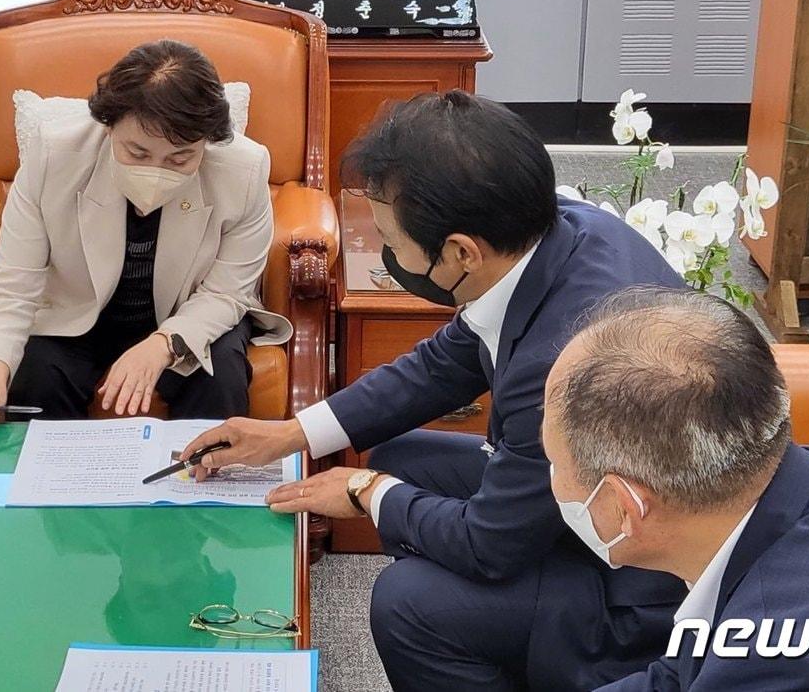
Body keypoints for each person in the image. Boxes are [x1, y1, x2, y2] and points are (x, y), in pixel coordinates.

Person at [182, 91, 688, 690]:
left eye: (392, 244)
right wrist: (290, 434)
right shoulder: (563, 231)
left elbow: (487, 546)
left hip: (639, 591)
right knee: (406, 459)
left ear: (460, 252)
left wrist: (366, 491)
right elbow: (442, 365)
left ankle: (514, 641)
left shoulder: (563, 365)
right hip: (589, 499)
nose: (386, 255)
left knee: (407, 601)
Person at [544, 287, 809, 690]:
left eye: (555, 463)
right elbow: (676, 675)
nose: (553, 481)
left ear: (625, 506)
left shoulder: (776, 668)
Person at [0, 40, 291, 423]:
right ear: (108, 127)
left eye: (180, 158)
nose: (156, 171)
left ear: (205, 144)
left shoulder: (244, 169)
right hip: (77, 315)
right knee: (37, 374)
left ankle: (202, 480)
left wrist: (162, 345)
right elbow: (13, 280)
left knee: (218, 372)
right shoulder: (55, 154)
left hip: (189, 312)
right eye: (137, 153)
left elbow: (228, 292)